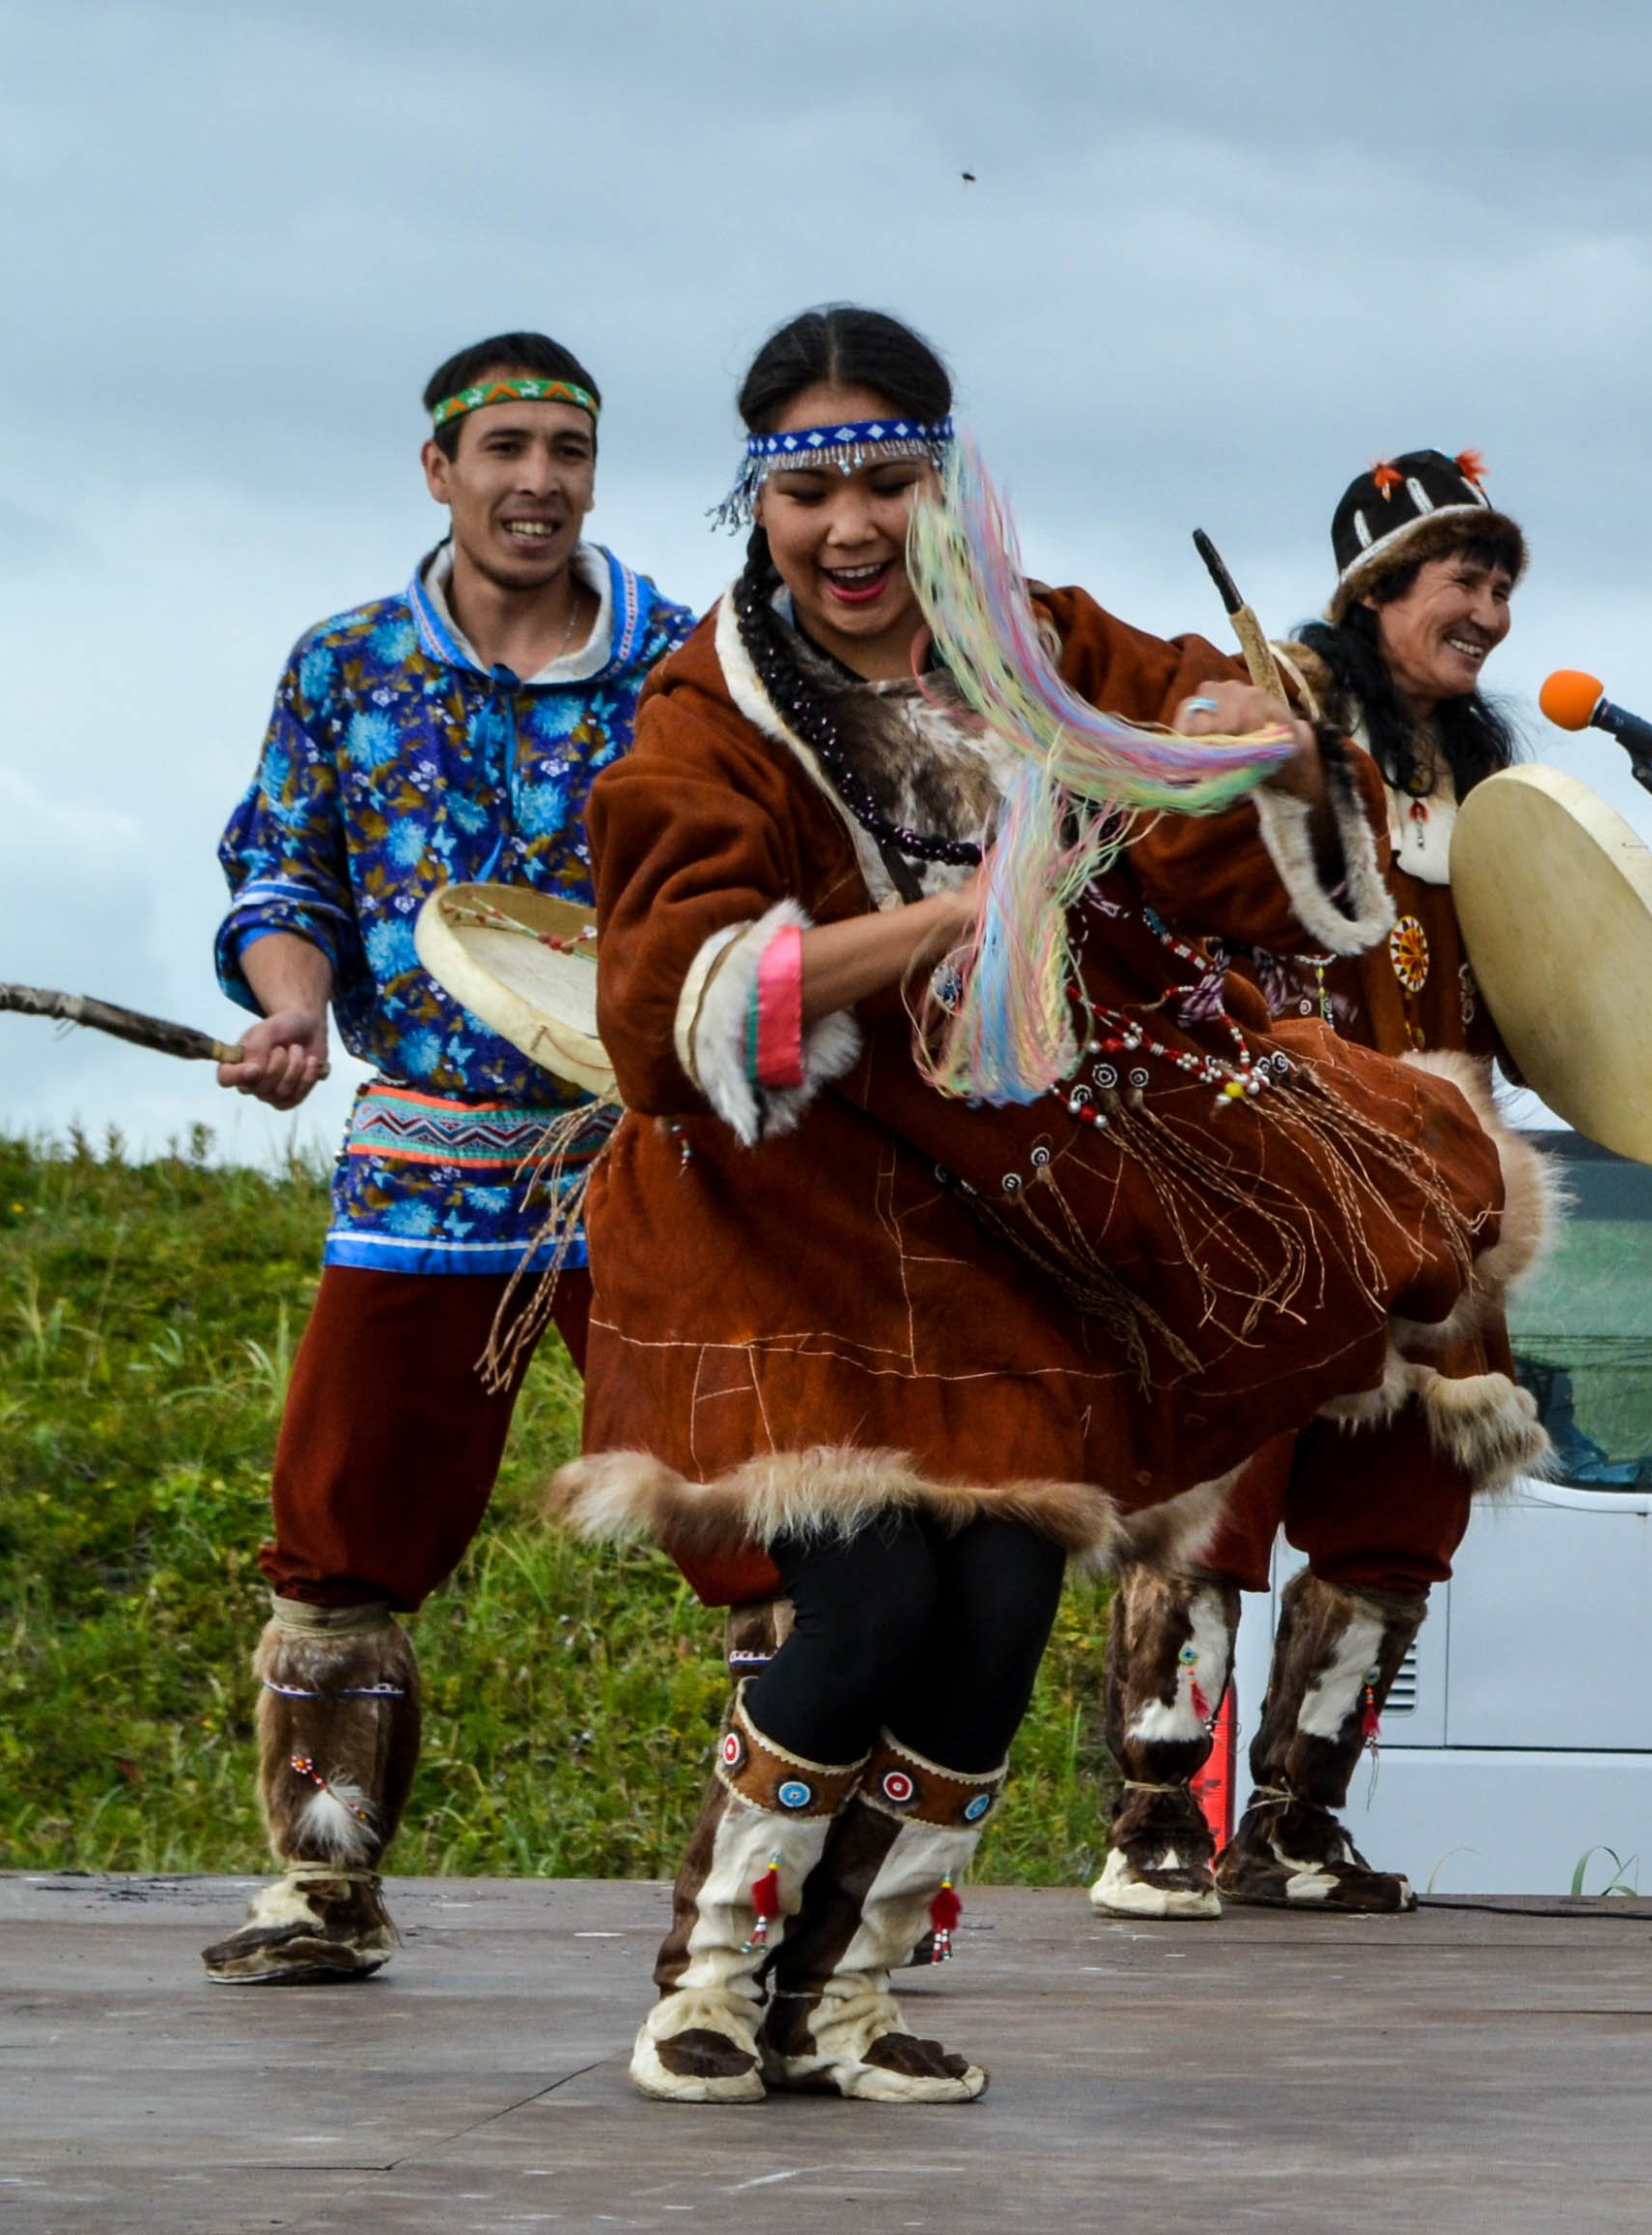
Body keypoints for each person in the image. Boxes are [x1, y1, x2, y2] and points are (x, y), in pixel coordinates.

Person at [562, 308, 1545, 2105]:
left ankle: (845, 1997)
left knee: (1003, 1594)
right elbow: (669, 998)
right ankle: (715, 1973)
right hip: (781, 1198)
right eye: (813, 492)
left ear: (942, 487)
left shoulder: (1044, 644)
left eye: (889, 482)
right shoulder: (708, 713)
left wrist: (1255, 735)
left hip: (1005, 1196)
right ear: (754, 504)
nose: (853, 528)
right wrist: (947, 922)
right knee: (862, 1606)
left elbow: (1199, 779)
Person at [197, 334, 697, 1986]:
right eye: (505, 449)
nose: (538, 479)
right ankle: (324, 1886)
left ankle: (773, 1898)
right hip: (426, 1156)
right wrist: (289, 1012)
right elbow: (285, 881)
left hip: (649, 1154)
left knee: (758, 1507)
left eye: (567, 448)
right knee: (340, 1522)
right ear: (441, 469)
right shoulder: (345, 665)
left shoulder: (685, 665)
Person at [1091, 448, 1551, 1921]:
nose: (1485, 607)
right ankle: (1155, 1817)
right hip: (1276, 1149)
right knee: (1215, 1496)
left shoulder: (1488, 773)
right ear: (1377, 589)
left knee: (1402, 1512)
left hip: (1442, 1172)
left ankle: (1294, 1818)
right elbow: (1167, 874)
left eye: (1500, 583)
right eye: (1460, 576)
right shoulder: (1281, 703)